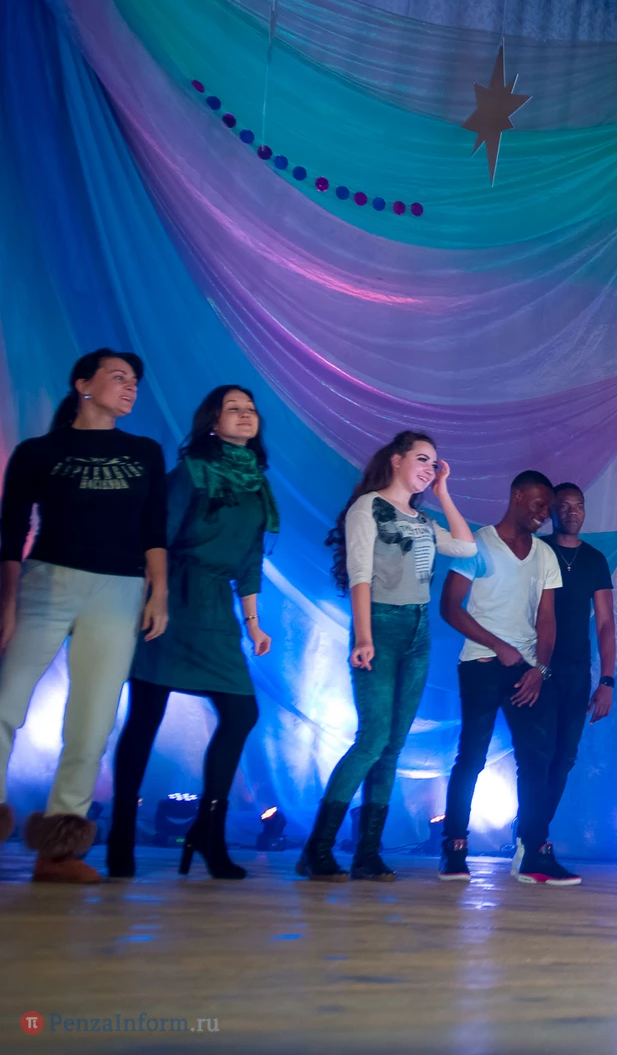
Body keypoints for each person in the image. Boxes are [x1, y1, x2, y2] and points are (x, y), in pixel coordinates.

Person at [0, 349, 167, 884]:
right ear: (82, 384)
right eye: (118, 377)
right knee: (5, 702)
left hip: (120, 588)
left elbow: (154, 530)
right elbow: (11, 533)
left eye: (135, 380)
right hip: (46, 580)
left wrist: (158, 592)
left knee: (92, 720)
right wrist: (7, 601)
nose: (130, 386)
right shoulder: (38, 452)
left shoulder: (144, 452)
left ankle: (58, 850)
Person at [109, 385, 277, 880]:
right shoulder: (191, 471)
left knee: (242, 711)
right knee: (146, 715)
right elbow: (155, 535)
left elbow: (250, 559)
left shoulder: (257, 482)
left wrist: (254, 623)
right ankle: (120, 834)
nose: (245, 415)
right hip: (173, 595)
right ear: (212, 422)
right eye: (233, 409)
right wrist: (156, 596)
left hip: (217, 607)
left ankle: (209, 829)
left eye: (250, 409)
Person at [297, 431, 476, 882]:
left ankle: (367, 854)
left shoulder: (423, 520)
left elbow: (467, 547)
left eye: (434, 463)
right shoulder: (368, 507)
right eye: (422, 459)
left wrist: (444, 492)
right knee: (373, 739)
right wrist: (363, 636)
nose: (429, 468)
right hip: (380, 624)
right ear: (396, 460)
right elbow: (360, 574)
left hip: (418, 631)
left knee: (393, 745)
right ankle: (317, 849)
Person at [436, 471, 561, 884]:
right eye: (539, 504)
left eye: (549, 509)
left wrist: (540, 669)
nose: (544, 514)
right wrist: (497, 645)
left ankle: (533, 850)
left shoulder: (544, 555)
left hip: (527, 669)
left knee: (536, 758)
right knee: (472, 755)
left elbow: (547, 619)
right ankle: (454, 846)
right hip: (481, 663)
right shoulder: (477, 545)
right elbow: (450, 607)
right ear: (517, 495)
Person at [532, 483, 615, 884]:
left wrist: (607, 680)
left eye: (577, 505)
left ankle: (533, 833)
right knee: (539, 754)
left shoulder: (594, 559)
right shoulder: (537, 550)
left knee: (565, 756)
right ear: (551, 511)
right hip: (537, 666)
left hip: (577, 670)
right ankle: (532, 840)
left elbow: (605, 623)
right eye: (563, 506)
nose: (571, 512)